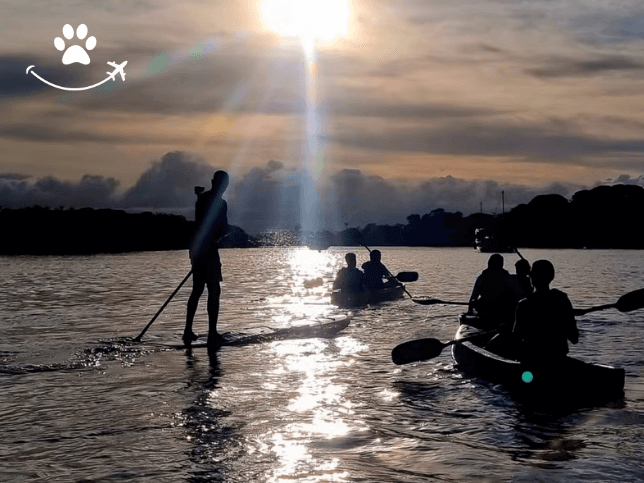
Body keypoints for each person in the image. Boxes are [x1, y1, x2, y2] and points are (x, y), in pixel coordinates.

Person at [183, 170, 229, 348]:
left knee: (199, 289)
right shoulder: (218, 203)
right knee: (213, 290)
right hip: (204, 250)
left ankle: (189, 331)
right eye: (221, 184)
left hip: (198, 249)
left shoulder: (204, 199)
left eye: (225, 185)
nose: (223, 188)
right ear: (213, 182)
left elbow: (216, 227)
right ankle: (211, 334)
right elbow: (217, 227)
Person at [512, 259, 578, 366]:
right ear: (551, 277)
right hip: (558, 361)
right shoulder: (562, 300)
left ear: (532, 279)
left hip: (531, 362)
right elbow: (574, 338)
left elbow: (516, 339)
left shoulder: (524, 305)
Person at [468, 253, 514, 325]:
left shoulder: (482, 276)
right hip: (501, 306)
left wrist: (470, 310)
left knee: (475, 302)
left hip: (487, 306)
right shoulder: (506, 276)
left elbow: (474, 295)